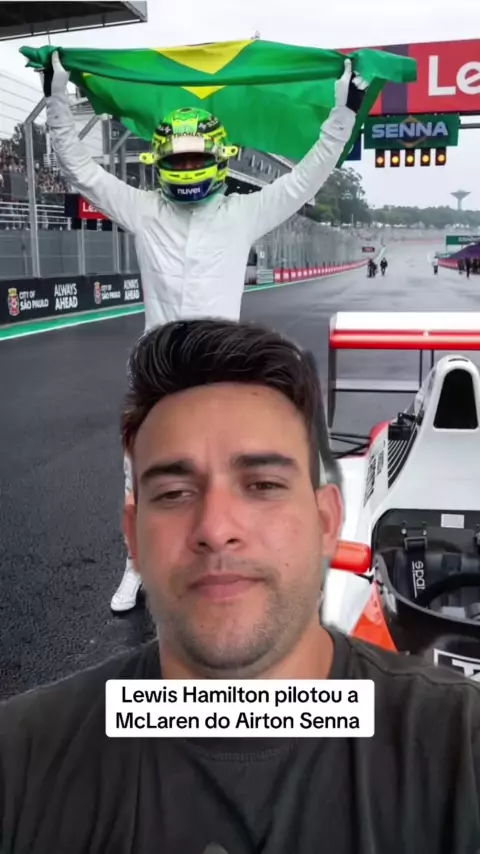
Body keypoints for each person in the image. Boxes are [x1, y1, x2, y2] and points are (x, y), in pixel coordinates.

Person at [1, 317, 480, 854]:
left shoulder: (462, 746)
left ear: (327, 523)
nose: (216, 528)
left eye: (262, 485)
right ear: (132, 538)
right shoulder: (20, 760)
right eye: (175, 493)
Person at [41, 50, 369, 614]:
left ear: (217, 157)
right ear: (161, 159)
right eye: (178, 157)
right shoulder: (142, 208)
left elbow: (310, 173)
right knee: (141, 474)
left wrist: (345, 109)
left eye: (196, 156)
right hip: (157, 373)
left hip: (224, 373)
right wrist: (55, 98)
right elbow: (78, 167)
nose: (187, 165)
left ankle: (235, 565)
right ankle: (136, 568)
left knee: (229, 473)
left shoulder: (244, 212)